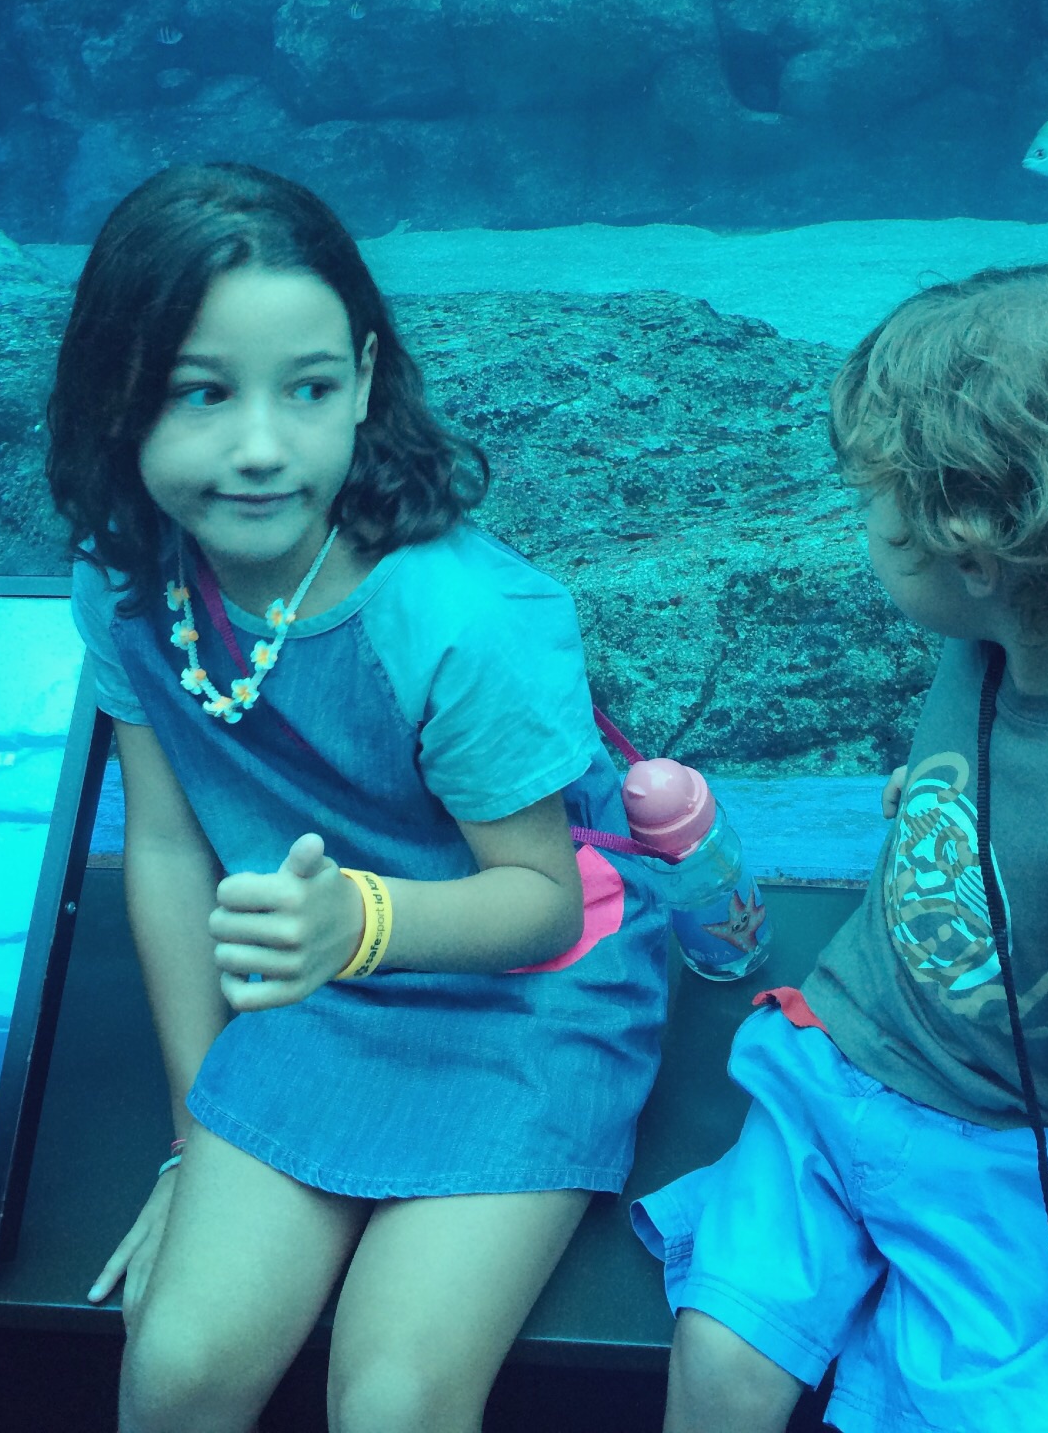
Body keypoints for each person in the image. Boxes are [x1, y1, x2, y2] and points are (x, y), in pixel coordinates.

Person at [47, 161, 669, 1433]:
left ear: (366, 385)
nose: (263, 445)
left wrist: (359, 930)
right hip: (314, 984)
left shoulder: (457, 618)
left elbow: (543, 905)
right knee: (175, 1373)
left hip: (523, 993)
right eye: (198, 394)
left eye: (310, 389)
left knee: (391, 1402)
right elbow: (166, 849)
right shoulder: (124, 586)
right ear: (114, 394)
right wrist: (194, 1130)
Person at [632, 262, 1048, 1433]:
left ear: (978, 551)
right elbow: (1004, 781)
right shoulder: (1008, 638)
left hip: (1017, 1156)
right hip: (842, 1065)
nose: (867, 527)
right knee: (721, 1366)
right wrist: (937, 799)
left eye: (877, 509)